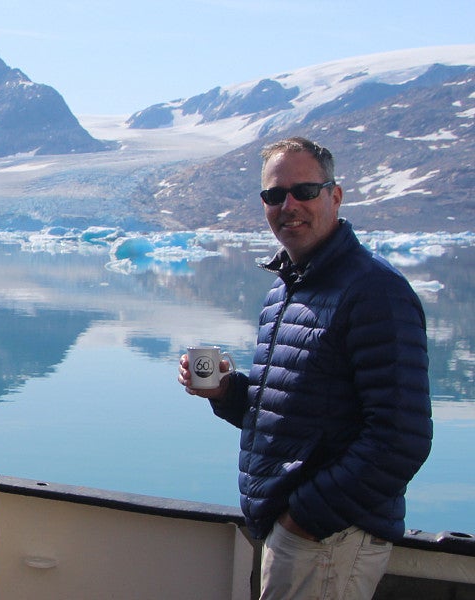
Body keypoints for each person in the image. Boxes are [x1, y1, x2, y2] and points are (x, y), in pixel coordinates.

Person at [178, 137, 432, 599]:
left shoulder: (374, 291)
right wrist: (228, 392)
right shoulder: (287, 290)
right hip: (298, 533)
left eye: (305, 191)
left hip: (328, 539)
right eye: (275, 195)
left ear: (335, 196)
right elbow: (295, 412)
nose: (288, 205)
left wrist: (306, 519)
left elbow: (401, 439)